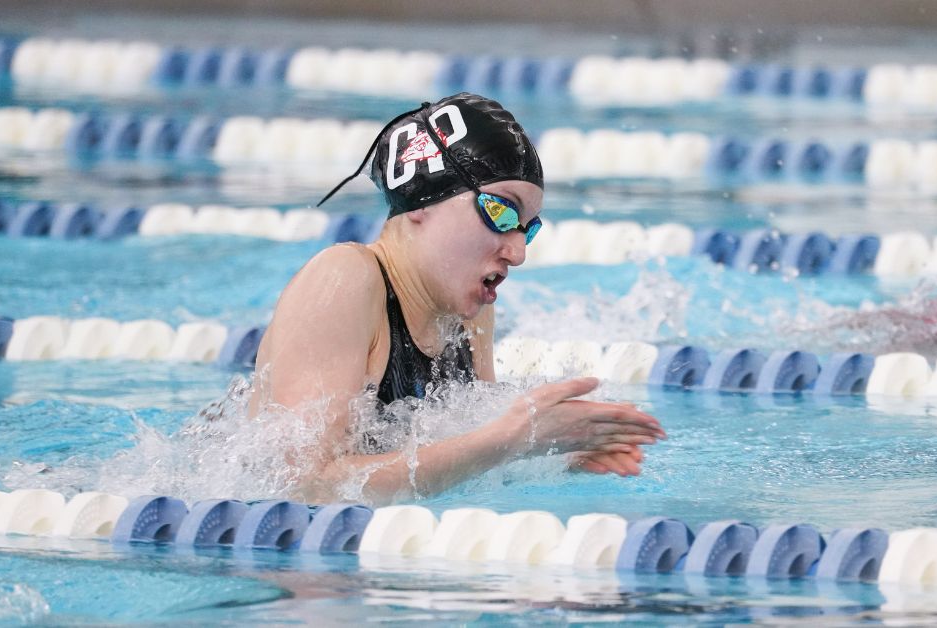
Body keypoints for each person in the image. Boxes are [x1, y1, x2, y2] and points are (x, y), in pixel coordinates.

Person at [251, 93, 665, 504]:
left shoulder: (469, 314)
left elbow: (465, 461)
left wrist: (556, 450)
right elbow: (302, 486)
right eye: (500, 212)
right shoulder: (343, 278)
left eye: (527, 227)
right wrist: (509, 438)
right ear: (421, 196)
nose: (518, 253)